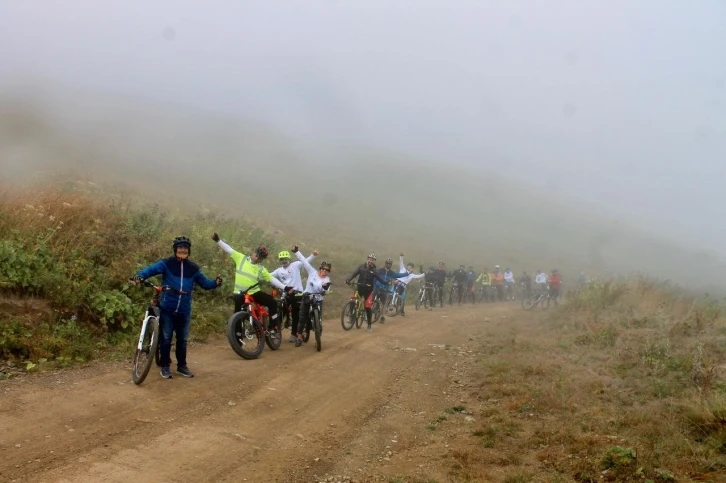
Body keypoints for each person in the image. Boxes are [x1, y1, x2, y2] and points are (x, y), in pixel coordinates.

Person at [132, 236, 222, 379]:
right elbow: (151, 270)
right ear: (175, 250)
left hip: (184, 309)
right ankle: (165, 366)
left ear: (189, 251)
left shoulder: (193, 268)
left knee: (183, 339)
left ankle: (181, 366)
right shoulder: (167, 264)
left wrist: (215, 283)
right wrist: (140, 276)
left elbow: (205, 284)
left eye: (185, 248)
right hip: (168, 307)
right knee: (166, 338)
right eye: (180, 248)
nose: (182, 250)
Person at [211, 232, 287, 330]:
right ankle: (237, 338)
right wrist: (218, 240)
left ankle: (273, 326)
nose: (257, 257)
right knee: (237, 316)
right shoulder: (241, 258)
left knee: (272, 303)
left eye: (260, 258)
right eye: (257, 254)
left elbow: (271, 279)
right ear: (253, 252)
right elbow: (228, 249)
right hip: (239, 293)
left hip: (255, 292)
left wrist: (285, 287)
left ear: (262, 260)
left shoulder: (261, 269)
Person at [270, 249, 318, 342]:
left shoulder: (295, 265)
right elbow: (268, 275)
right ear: (279, 260)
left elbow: (305, 262)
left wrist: (313, 255)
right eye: (281, 259)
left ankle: (294, 334)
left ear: (289, 259)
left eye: (285, 259)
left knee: (296, 314)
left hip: (298, 293)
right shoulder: (278, 271)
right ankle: (276, 331)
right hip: (286, 294)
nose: (283, 261)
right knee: (280, 310)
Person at [290, 246, 331, 347]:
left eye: (327, 270)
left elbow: (327, 288)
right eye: (323, 269)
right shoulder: (312, 272)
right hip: (307, 297)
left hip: (318, 300)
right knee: (302, 318)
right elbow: (304, 261)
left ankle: (318, 333)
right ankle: (299, 337)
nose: (325, 271)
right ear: (320, 268)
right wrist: (296, 251)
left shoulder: (327, 279)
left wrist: (325, 289)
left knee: (319, 319)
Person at [345, 254, 392, 332]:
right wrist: (348, 279)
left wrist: (387, 283)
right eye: (370, 259)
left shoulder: (375, 271)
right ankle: (351, 317)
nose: (371, 261)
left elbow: (380, 279)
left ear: (374, 261)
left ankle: (369, 325)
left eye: (373, 260)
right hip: (359, 288)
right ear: (368, 259)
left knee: (367, 307)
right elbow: (354, 273)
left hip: (368, 290)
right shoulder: (361, 266)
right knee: (352, 300)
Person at [373, 258, 408, 323]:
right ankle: (369, 312)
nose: (388, 265)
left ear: (391, 265)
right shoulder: (380, 270)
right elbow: (374, 277)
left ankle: (382, 317)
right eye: (387, 263)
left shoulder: (392, 273)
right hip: (377, 287)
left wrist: (407, 273)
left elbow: (399, 275)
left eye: (389, 264)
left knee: (383, 303)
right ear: (385, 263)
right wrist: (373, 284)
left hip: (385, 289)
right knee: (372, 300)